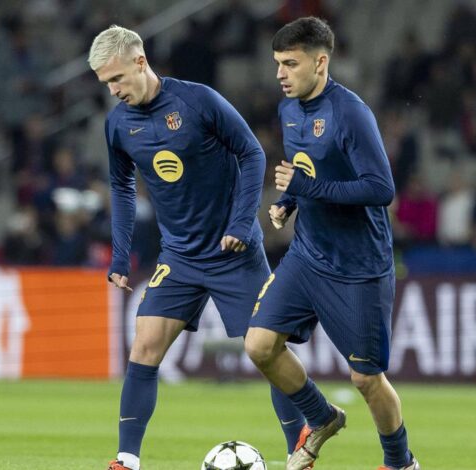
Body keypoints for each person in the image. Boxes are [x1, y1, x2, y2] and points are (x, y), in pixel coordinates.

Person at [88, 25, 304, 470]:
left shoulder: (196, 101)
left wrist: (242, 223)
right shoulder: (118, 124)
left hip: (234, 253)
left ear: (140, 63)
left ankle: (298, 454)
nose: (113, 91)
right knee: (144, 346)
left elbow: (252, 154)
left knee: (268, 351)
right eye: (106, 84)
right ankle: (126, 459)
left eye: (117, 79)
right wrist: (119, 255)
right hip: (180, 257)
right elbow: (122, 187)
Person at [244, 17, 420, 470]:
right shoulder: (288, 109)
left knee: (365, 378)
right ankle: (321, 418)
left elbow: (381, 189)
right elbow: (306, 170)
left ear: (321, 62)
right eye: (277, 64)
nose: (280, 74)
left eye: (290, 63)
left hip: (359, 265)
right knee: (260, 345)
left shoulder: (350, 113)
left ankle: (400, 462)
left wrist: (306, 188)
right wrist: (287, 201)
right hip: (308, 254)